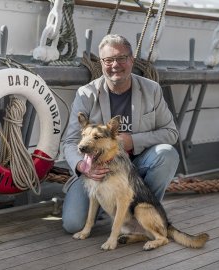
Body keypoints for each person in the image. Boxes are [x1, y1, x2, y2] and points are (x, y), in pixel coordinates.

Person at [62, 34, 179, 233]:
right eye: (108, 60)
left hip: (136, 167)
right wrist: (83, 166)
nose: (115, 65)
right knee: (73, 224)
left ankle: (141, 216)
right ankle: (109, 207)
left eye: (121, 58)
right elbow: (70, 141)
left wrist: (132, 140)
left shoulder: (152, 90)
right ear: (101, 63)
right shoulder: (86, 94)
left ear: (131, 60)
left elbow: (170, 133)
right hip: (97, 170)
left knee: (167, 154)